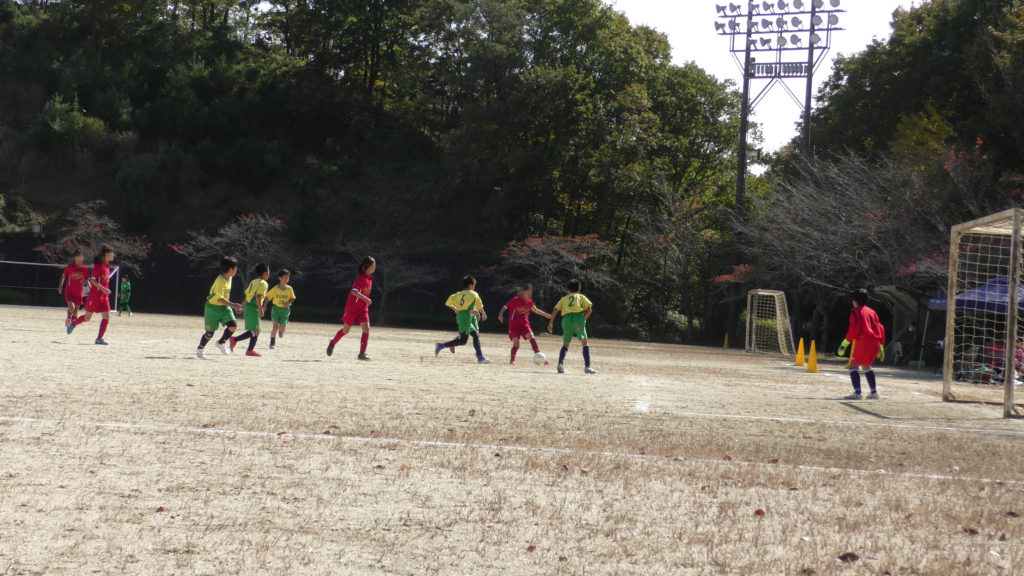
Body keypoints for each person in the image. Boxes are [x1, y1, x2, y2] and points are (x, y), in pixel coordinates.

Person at [838, 288, 886, 400]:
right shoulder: (872, 312)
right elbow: (880, 327)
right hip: (875, 341)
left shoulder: (855, 312)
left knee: (853, 366)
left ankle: (857, 393)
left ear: (854, 301)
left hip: (864, 341)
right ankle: (874, 392)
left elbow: (854, 330)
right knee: (866, 366)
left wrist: (845, 343)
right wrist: (881, 345)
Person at [327, 256, 375, 360]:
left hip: (363, 309)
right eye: (373, 264)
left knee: (366, 329)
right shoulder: (361, 278)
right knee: (346, 330)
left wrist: (365, 301)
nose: (375, 266)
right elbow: (353, 291)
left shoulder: (370, 278)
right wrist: (365, 298)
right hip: (352, 308)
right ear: (369, 266)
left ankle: (362, 354)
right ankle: (332, 343)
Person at [434, 275, 491, 364]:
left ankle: (480, 357)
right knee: (464, 340)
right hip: (466, 316)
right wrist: (483, 313)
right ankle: (441, 345)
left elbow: (447, 303)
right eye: (474, 285)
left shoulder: (458, 294)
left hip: (461, 316)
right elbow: (479, 306)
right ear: (471, 285)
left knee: (473, 336)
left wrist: (455, 309)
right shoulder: (474, 294)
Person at [196, 257, 244, 359]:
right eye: (235, 268)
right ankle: (200, 349)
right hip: (212, 308)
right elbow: (219, 299)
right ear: (230, 269)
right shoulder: (220, 281)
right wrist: (234, 305)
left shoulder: (229, 278)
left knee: (233, 326)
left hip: (224, 307)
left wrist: (232, 306)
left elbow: (224, 299)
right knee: (209, 334)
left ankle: (221, 343)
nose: (236, 269)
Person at [67, 246, 115, 345]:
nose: (113, 255)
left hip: (104, 297)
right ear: (106, 255)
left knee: (106, 316)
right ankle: (74, 323)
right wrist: (104, 289)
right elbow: (93, 281)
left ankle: (99, 339)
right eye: (111, 253)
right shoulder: (98, 266)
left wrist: (104, 291)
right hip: (95, 296)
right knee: (87, 318)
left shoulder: (107, 266)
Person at [548, 279, 597, 374]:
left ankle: (560, 365)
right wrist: (583, 319)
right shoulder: (581, 297)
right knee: (585, 343)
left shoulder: (564, 298)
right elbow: (589, 309)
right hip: (578, 319)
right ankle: (587, 367)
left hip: (566, 320)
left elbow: (555, 309)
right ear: (579, 290)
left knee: (565, 344)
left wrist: (551, 323)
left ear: (568, 290)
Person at [497, 283, 552, 364]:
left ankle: (540, 357)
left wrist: (545, 314)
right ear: (523, 292)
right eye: (528, 292)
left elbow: (535, 310)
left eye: (530, 292)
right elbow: (505, 306)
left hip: (524, 324)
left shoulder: (529, 302)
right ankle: (512, 360)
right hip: (514, 325)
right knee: (516, 344)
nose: (530, 293)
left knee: (531, 337)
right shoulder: (515, 300)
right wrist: (500, 314)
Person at [230, 263, 269, 357]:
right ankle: (235, 340)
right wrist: (261, 309)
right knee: (256, 330)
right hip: (253, 307)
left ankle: (250, 350)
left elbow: (247, 296)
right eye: (268, 271)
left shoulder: (254, 281)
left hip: (248, 306)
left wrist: (241, 307)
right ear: (265, 273)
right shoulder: (263, 283)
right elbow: (258, 297)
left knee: (255, 330)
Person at [265, 269, 296, 350]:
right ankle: (272, 343)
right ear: (280, 278)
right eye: (285, 277)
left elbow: (292, 298)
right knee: (275, 327)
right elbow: (268, 297)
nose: (286, 279)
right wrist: (264, 306)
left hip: (285, 310)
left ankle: (281, 331)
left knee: (282, 327)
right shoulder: (276, 288)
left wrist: (288, 302)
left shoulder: (289, 289)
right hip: (276, 309)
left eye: (287, 278)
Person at [58, 250, 88, 327]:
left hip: (79, 292)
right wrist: (61, 285)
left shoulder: (84, 268)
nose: (80, 258)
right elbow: (63, 275)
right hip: (70, 291)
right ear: (75, 257)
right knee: (72, 308)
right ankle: (68, 317)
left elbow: (86, 279)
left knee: (76, 311)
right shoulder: (70, 267)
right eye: (78, 256)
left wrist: (91, 288)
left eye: (81, 257)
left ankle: (72, 324)